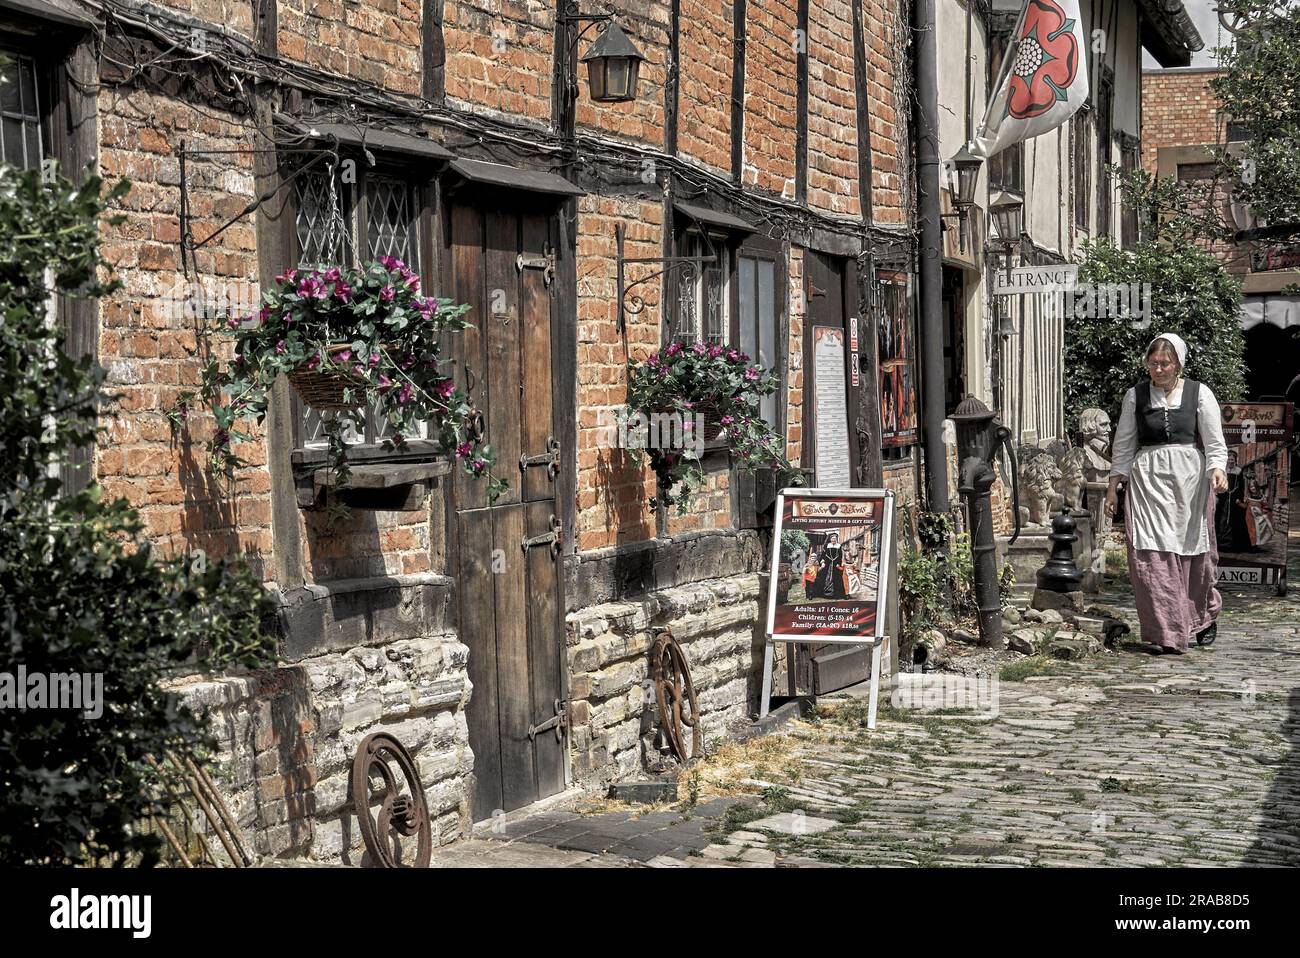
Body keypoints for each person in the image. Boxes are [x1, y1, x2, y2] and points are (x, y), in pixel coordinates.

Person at [1104, 333, 1228, 654]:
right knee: (1150, 552)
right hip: (1148, 480)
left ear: (1178, 364)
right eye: (1153, 362)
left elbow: (1214, 442)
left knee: (1192, 550)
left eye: (1165, 363)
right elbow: (1124, 444)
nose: (1158, 369)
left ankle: (1200, 616)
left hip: (1189, 481)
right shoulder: (1136, 396)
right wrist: (1112, 489)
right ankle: (1165, 631)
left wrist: (1217, 468)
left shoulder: (1199, 394)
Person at [812, 532, 849, 599]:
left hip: (835, 562)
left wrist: (838, 563)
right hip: (827, 561)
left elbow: (840, 556)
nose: (833, 540)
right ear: (830, 539)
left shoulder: (839, 546)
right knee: (822, 575)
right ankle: (821, 592)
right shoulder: (827, 545)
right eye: (832, 539)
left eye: (835, 539)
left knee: (838, 577)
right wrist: (822, 561)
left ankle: (837, 594)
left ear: (836, 539)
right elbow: (823, 554)